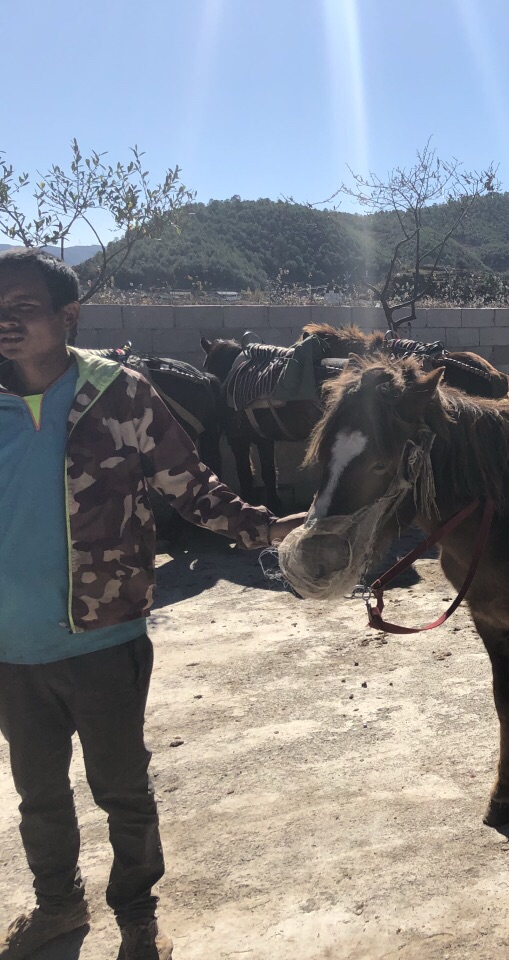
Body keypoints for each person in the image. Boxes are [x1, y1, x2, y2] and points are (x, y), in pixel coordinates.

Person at [0, 248, 304, 959]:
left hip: (104, 641)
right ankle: (58, 906)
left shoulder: (119, 392)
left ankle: (137, 918)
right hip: (11, 650)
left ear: (67, 316)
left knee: (122, 792)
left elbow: (190, 487)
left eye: (24, 310)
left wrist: (265, 528)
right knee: (38, 796)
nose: (6, 325)